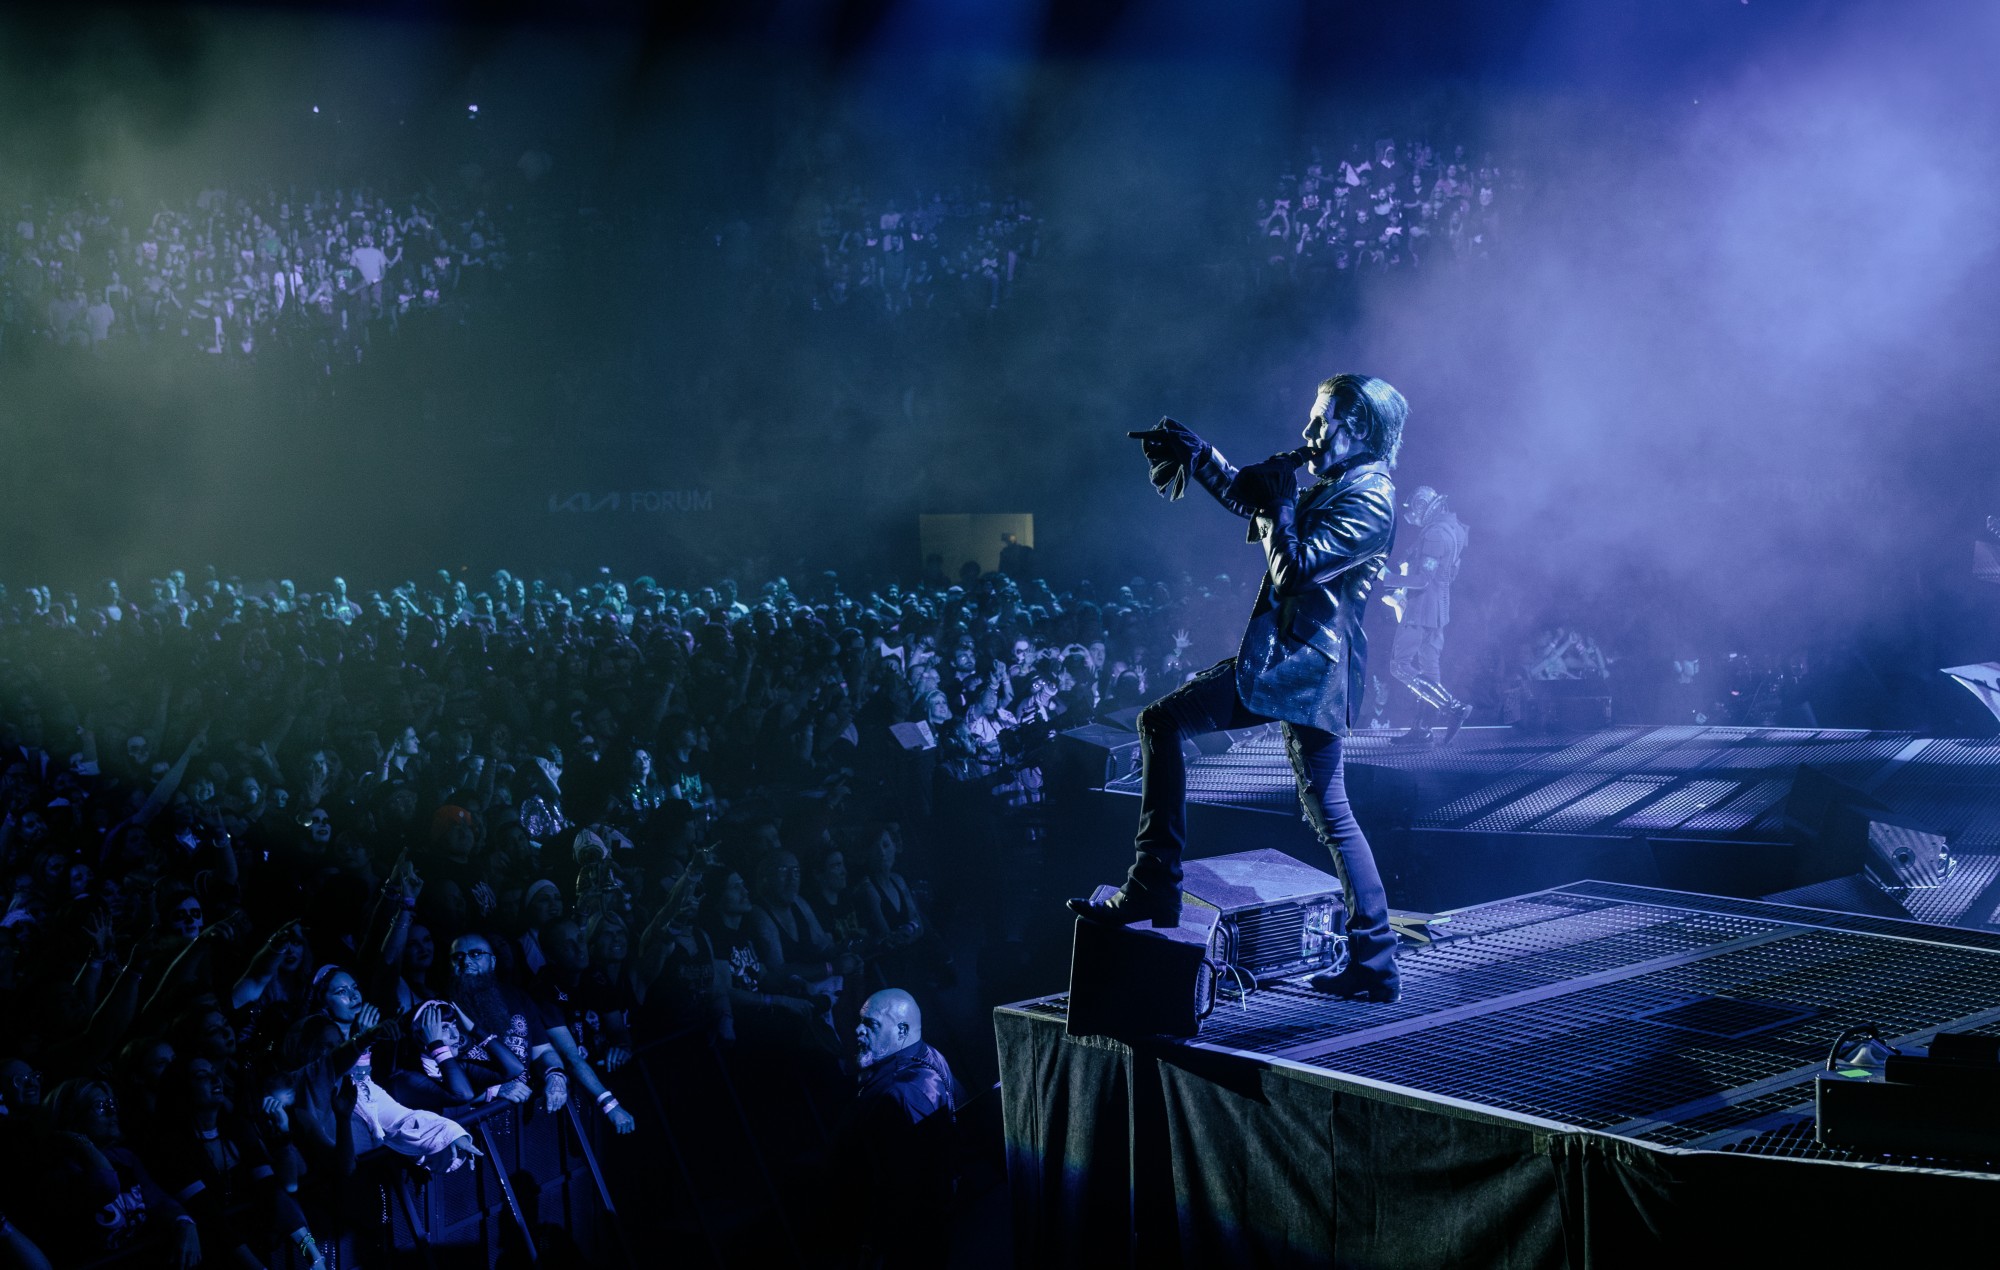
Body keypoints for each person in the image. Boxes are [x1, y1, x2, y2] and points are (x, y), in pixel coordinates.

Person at [1069, 374, 1408, 1002]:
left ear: (1358, 427)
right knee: (1330, 811)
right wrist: (1204, 459)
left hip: (1304, 672)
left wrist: (1281, 503)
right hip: (1303, 669)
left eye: (1321, 421)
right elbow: (1254, 500)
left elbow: (1295, 571)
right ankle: (1376, 959)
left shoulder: (1373, 498)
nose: (1308, 434)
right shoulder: (1344, 483)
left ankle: (1153, 881)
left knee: (1163, 723)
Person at [839, 989, 963, 1269]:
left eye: (870, 1025)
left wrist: (872, 1244)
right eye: (860, 1021)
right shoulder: (929, 1054)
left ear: (901, 1030)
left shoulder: (900, 1093)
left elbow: (903, 1182)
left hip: (907, 1238)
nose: (858, 1030)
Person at [1384, 485, 1472, 745]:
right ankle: (1422, 729)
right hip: (1439, 609)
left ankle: (1453, 707)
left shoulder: (1435, 534)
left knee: (1399, 665)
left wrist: (1387, 577)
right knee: (1429, 669)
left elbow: (1422, 579)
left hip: (1421, 610)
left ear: (1423, 509)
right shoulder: (1454, 530)